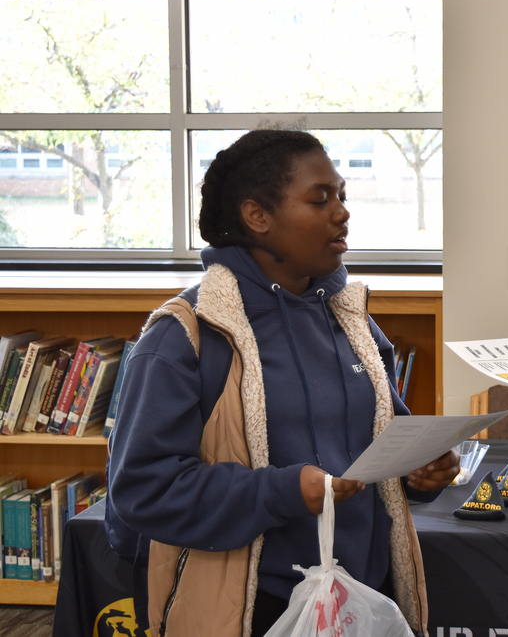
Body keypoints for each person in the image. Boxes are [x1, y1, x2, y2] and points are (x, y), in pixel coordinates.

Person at [107, 129, 459, 637]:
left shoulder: (352, 320)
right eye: (321, 199)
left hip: (363, 599)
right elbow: (143, 489)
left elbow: (381, 439)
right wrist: (281, 492)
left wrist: (416, 469)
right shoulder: (187, 336)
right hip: (252, 609)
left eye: (341, 196)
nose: (342, 212)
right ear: (258, 217)